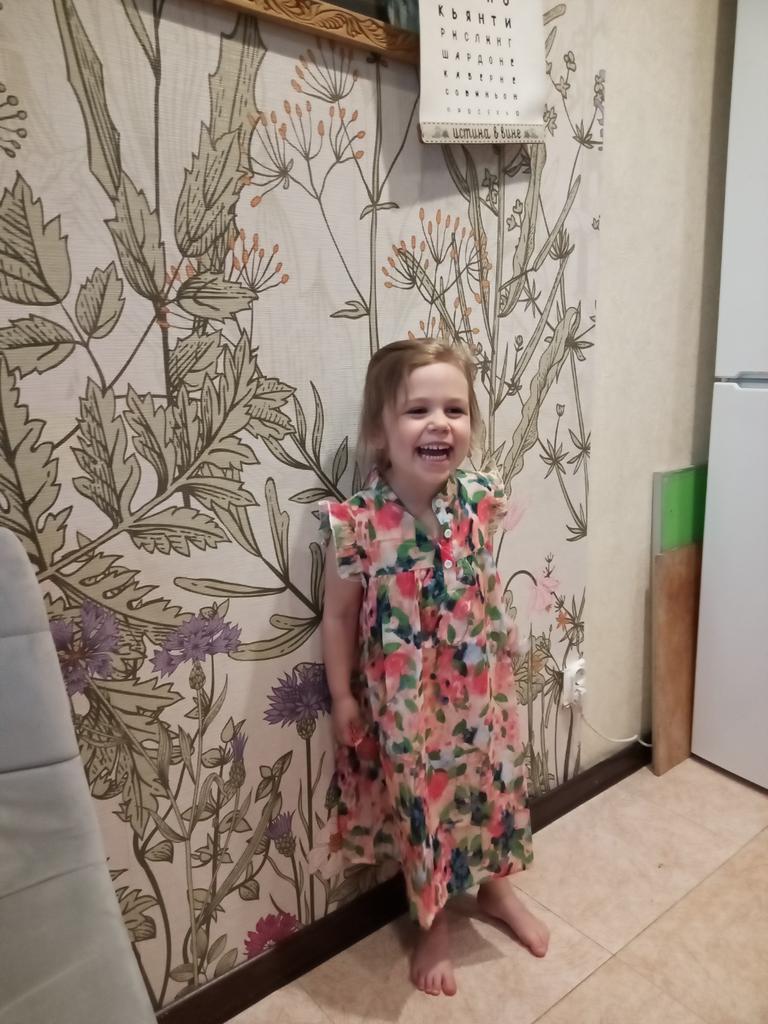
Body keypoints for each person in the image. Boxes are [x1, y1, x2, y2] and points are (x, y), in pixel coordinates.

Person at [319, 338, 549, 997]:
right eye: (418, 410)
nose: (440, 423)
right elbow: (338, 616)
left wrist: (504, 641)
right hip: (407, 704)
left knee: (492, 786)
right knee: (424, 802)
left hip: (481, 691)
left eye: (455, 409)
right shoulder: (360, 522)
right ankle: (434, 919)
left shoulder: (478, 498)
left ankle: (497, 890)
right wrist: (342, 696)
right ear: (379, 431)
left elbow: (484, 577)